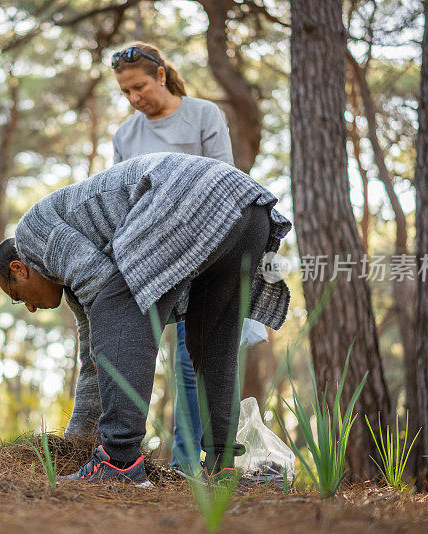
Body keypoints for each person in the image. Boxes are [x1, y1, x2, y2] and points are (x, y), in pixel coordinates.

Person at [0, 153, 290, 485]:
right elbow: (95, 357)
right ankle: (222, 466)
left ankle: (119, 460)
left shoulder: (31, 234)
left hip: (191, 193)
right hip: (247, 207)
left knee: (119, 304)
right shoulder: (72, 277)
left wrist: (92, 437)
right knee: (213, 340)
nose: (30, 309)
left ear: (19, 269)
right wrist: (74, 440)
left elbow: (113, 302)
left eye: (18, 296)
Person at [105, 41, 267, 473]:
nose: (135, 99)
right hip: (150, 258)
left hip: (204, 250)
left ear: (161, 75)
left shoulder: (202, 115)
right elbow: (119, 200)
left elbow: (226, 182)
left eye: (139, 87)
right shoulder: (126, 135)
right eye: (125, 93)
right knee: (136, 350)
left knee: (197, 358)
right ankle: (139, 455)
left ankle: (203, 464)